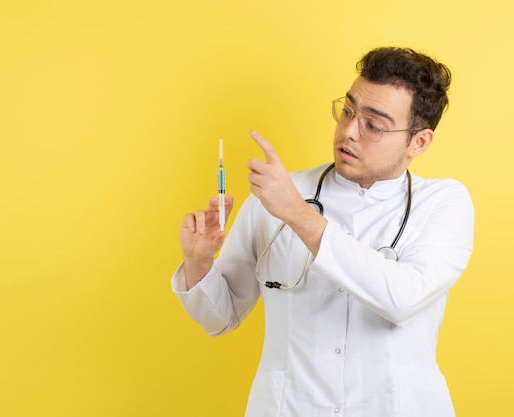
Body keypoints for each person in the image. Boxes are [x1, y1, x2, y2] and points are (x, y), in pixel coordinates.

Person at [171, 47, 474, 417]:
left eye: (373, 125)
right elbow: (220, 318)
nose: (348, 132)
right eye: (348, 111)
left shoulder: (443, 203)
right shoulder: (277, 193)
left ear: (419, 142)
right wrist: (199, 262)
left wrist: (297, 213)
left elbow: (402, 299)